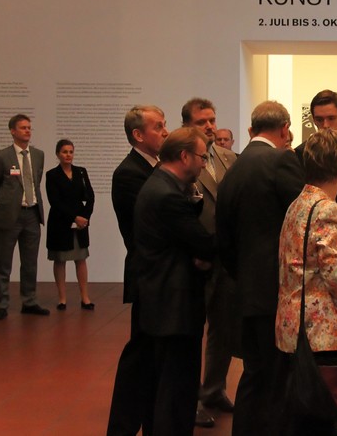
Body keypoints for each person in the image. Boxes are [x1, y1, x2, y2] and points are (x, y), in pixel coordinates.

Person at [216, 100, 305, 436]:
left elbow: (224, 236)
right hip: (277, 290)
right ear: (285, 129)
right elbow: (301, 220)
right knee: (277, 377)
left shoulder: (233, 166)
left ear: (252, 129)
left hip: (245, 288)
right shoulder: (281, 160)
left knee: (255, 374)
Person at [275, 129, 337, 436]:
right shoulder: (328, 209)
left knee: (303, 414)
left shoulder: (299, 203)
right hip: (320, 329)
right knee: (318, 412)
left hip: (294, 324)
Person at [132, 127, 218, 435]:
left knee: (167, 385)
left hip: (164, 300)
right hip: (174, 305)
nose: (204, 164)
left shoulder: (161, 184)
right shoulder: (167, 195)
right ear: (184, 156)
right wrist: (206, 253)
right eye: (202, 157)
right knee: (176, 389)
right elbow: (204, 244)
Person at [107, 104, 168, 436]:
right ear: (138, 135)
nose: (165, 131)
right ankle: (124, 426)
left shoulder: (155, 167)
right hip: (147, 274)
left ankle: (148, 422)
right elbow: (145, 229)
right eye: (158, 126)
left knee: (150, 356)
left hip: (158, 276)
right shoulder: (129, 173)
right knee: (141, 356)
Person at [180, 97, 238, 428]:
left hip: (224, 258)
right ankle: (189, 401)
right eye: (202, 121)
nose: (210, 126)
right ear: (187, 126)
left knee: (223, 328)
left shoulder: (229, 158)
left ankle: (214, 390)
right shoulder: (181, 161)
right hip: (195, 259)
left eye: (212, 120)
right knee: (191, 332)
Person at [0, 114, 49, 320]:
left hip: (32, 213)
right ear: (13, 131)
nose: (28, 131)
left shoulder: (39, 155)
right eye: (23, 128)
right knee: (3, 262)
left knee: (30, 262)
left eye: (29, 127)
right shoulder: (2, 157)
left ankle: (29, 301)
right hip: (9, 216)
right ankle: (1, 304)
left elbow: (36, 182)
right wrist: (8, 203)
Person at [45, 139, 95, 311]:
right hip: (60, 223)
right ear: (58, 154)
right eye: (65, 152)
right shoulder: (52, 175)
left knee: (81, 259)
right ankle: (62, 298)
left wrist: (85, 217)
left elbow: (90, 196)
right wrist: (74, 217)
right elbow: (55, 201)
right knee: (60, 260)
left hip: (81, 223)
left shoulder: (81, 172)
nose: (68, 155)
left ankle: (85, 297)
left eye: (71, 152)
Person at [295, 90, 337, 207]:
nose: (325, 125)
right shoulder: (301, 154)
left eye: (331, 118)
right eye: (319, 119)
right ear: (313, 120)